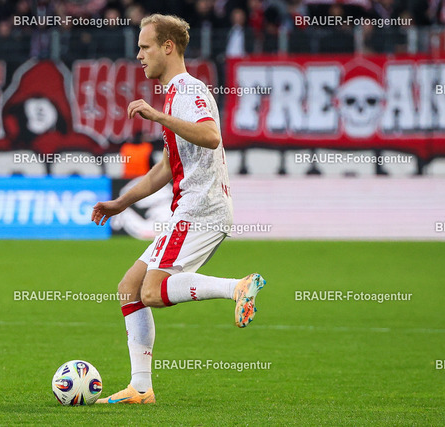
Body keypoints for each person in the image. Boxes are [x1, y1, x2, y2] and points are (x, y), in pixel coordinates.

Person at [91, 13, 266, 404]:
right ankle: (140, 388)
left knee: (152, 292)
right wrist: (121, 202)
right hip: (189, 209)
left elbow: (211, 135)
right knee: (130, 289)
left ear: (167, 47)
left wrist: (159, 116)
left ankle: (237, 287)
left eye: (145, 47)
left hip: (201, 209)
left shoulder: (189, 90)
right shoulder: (173, 94)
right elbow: (167, 168)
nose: (139, 55)